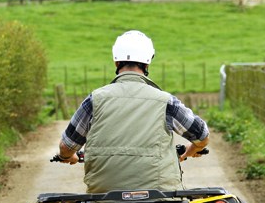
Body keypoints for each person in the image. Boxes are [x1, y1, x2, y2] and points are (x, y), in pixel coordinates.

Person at [56, 30, 209, 193]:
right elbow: (202, 135)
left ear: (116, 62)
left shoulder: (95, 99)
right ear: (147, 63)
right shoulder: (165, 101)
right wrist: (191, 151)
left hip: (103, 195)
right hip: (160, 195)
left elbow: (66, 146)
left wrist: (67, 156)